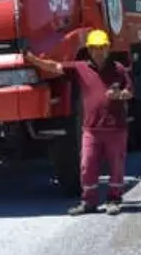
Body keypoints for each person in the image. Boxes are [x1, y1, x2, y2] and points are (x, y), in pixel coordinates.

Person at [25, 29, 134, 215]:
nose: (99, 51)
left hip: (116, 128)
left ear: (108, 48)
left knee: (116, 164)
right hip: (91, 129)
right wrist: (32, 59)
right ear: (89, 49)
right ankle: (89, 201)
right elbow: (55, 67)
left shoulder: (118, 69)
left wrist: (120, 95)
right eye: (95, 47)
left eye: (102, 47)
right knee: (87, 164)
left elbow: (130, 91)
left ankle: (114, 199)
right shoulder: (80, 68)